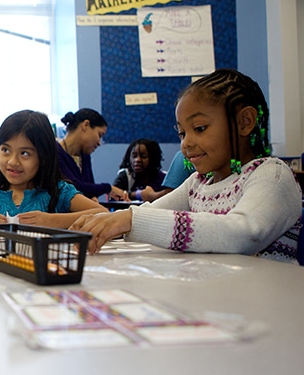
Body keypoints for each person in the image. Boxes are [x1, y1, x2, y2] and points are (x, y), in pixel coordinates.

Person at [71, 69, 301, 263]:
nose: (186, 144)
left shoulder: (272, 174)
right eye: (182, 133)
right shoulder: (198, 184)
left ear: (244, 122)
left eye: (199, 128)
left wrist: (129, 220)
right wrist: (111, 221)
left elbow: (244, 232)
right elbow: (150, 213)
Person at [0, 110, 107, 229]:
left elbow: (103, 214)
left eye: (25, 153)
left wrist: (52, 221)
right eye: (5, 150)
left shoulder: (59, 192)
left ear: (43, 156)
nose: (13, 161)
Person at [57, 108, 129, 201]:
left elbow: (90, 188)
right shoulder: (56, 152)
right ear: (85, 125)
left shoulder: (84, 155)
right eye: (99, 135)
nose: (99, 142)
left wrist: (93, 198)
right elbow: (74, 186)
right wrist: (108, 188)